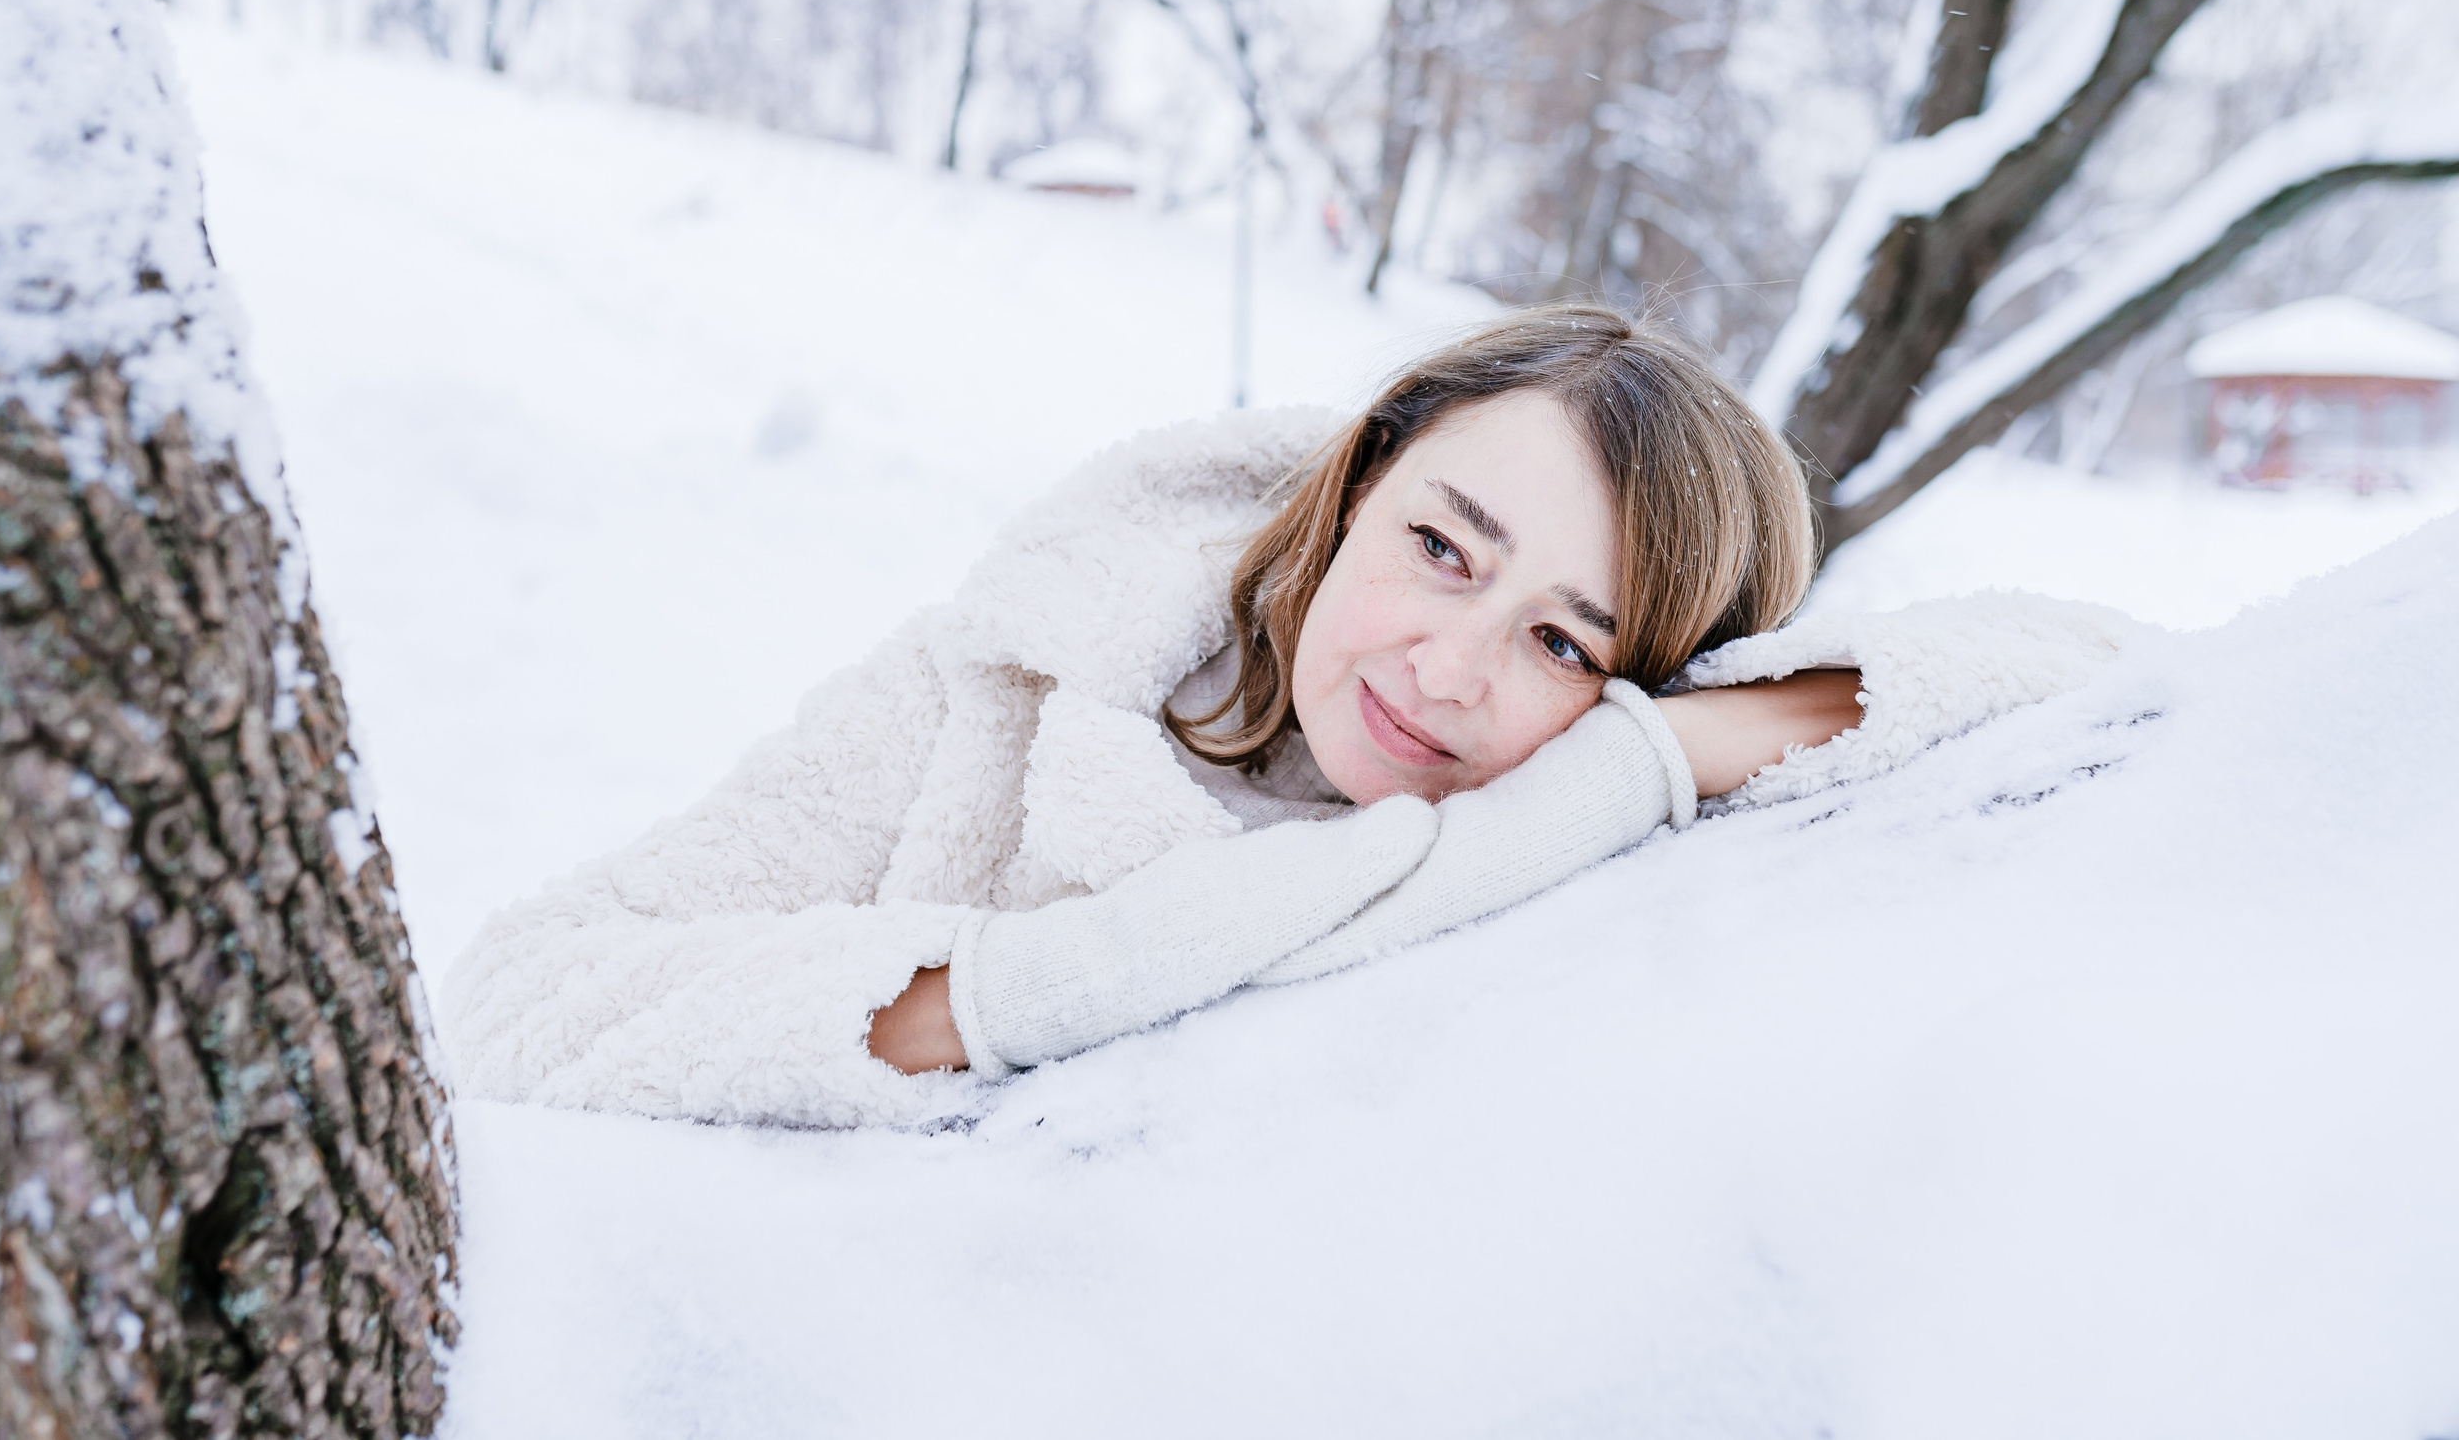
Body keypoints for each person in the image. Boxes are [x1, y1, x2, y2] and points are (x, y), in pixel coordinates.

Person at [442, 306, 2128, 1128]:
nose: (1451, 669)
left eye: (1561, 641)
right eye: (1439, 548)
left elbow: (2074, 661)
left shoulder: (1608, 858)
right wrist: (984, 1000)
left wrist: (1655, 765)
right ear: (1361, 475)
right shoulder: (1024, 671)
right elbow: (514, 1008)